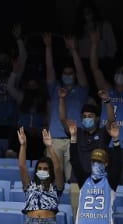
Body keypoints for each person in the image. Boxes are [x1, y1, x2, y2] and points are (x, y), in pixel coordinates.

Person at [90, 29, 123, 186]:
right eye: (119, 72)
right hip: (104, 144)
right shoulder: (107, 90)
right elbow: (95, 69)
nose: (121, 74)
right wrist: (94, 44)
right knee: (100, 182)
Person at [59, 89, 117, 221]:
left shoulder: (103, 134)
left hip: (98, 183)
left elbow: (111, 120)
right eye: (84, 117)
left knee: (96, 219)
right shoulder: (76, 133)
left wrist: (107, 101)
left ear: (97, 118)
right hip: (76, 182)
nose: (87, 119)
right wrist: (62, 99)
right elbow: (62, 119)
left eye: (90, 116)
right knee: (78, 220)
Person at [44, 32, 89, 184]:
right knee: (51, 178)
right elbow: (49, 69)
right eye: (65, 73)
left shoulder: (81, 90)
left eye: (71, 73)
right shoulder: (55, 88)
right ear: (61, 75)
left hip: (74, 140)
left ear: (74, 76)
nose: (67, 75)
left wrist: (74, 51)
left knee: (73, 179)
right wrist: (48, 47)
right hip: (55, 139)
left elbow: (82, 72)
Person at [18, 127, 64, 224]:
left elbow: (58, 168)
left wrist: (50, 147)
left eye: (45, 168)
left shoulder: (56, 186)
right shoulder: (29, 185)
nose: (42, 170)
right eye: (40, 168)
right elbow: (22, 166)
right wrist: (23, 145)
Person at [72, 146, 121, 224]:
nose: (96, 164)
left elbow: (118, 165)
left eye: (100, 162)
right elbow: (75, 161)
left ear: (106, 164)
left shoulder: (110, 182)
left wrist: (116, 143)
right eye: (94, 161)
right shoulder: (84, 181)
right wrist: (73, 141)